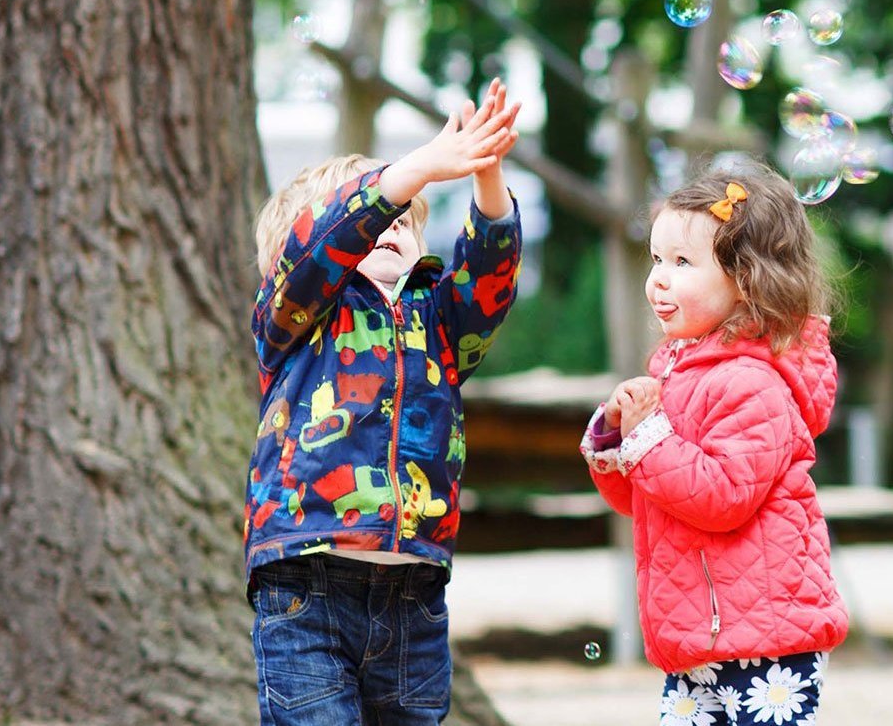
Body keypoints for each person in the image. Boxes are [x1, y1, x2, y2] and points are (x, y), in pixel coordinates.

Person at [243, 80, 522, 724]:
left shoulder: (440, 321)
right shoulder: (298, 316)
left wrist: (485, 172)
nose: (393, 225)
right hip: (305, 586)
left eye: (405, 219)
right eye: (379, 217)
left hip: (414, 594)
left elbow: (491, 277)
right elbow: (322, 246)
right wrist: (418, 166)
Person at [581, 162, 847, 726]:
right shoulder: (678, 374)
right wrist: (615, 437)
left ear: (747, 279)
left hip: (765, 644)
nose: (659, 278)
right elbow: (646, 499)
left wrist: (647, 438)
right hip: (698, 636)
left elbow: (722, 496)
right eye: (657, 260)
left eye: (682, 263)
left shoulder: (751, 381)